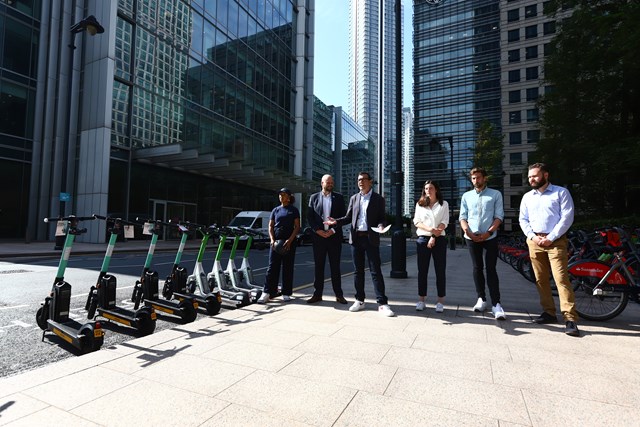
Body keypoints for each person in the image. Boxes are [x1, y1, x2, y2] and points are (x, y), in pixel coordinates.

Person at [519, 163, 579, 336]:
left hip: (556, 241)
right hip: (535, 241)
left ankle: (570, 318)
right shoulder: (527, 197)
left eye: (535, 176)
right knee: (540, 279)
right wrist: (533, 237)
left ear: (545, 175)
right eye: (530, 176)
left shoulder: (561, 193)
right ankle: (549, 313)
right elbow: (523, 220)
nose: (531, 179)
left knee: (561, 279)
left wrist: (551, 237)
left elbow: (567, 217)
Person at [325, 172, 395, 317]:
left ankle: (382, 303)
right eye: (358, 180)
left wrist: (381, 225)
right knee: (358, 271)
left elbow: (382, 218)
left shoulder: (378, 199)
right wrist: (336, 222)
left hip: (371, 238)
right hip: (356, 238)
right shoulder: (354, 198)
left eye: (363, 180)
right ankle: (359, 300)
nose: (360, 182)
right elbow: (348, 217)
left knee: (375, 271)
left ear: (370, 182)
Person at [459, 167, 506, 320]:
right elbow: (462, 217)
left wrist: (489, 233)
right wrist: (468, 232)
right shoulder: (466, 196)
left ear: (485, 178)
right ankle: (481, 299)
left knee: (491, 268)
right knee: (477, 268)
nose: (476, 181)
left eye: (478, 177)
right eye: (473, 178)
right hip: (471, 237)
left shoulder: (495, 194)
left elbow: (499, 216)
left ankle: (496, 304)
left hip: (490, 237)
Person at [306, 174, 348, 304]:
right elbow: (310, 218)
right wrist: (318, 231)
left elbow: (343, 218)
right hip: (319, 238)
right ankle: (317, 294)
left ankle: (339, 295)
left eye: (332, 182)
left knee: (335, 267)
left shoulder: (339, 198)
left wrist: (333, 230)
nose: (330, 184)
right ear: (322, 183)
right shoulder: (313, 198)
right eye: (328, 182)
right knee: (319, 267)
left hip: (334, 237)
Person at [257, 188, 300, 304]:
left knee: (287, 267)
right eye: (280, 195)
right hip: (276, 243)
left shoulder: (294, 210)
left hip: (289, 243)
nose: (281, 196)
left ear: (289, 197)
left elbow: (297, 227)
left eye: (284, 194)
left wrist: (290, 240)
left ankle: (286, 293)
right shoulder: (275, 210)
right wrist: (272, 240)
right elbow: (270, 226)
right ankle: (267, 292)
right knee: (272, 268)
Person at [413, 180, 449, 313]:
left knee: (440, 271)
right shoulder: (420, 204)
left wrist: (434, 236)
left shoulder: (443, 204)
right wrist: (430, 230)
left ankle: (440, 301)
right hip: (423, 239)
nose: (428, 190)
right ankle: (421, 300)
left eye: (431, 188)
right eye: (426, 188)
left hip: (439, 239)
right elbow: (417, 221)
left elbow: (445, 222)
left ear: (436, 190)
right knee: (422, 271)